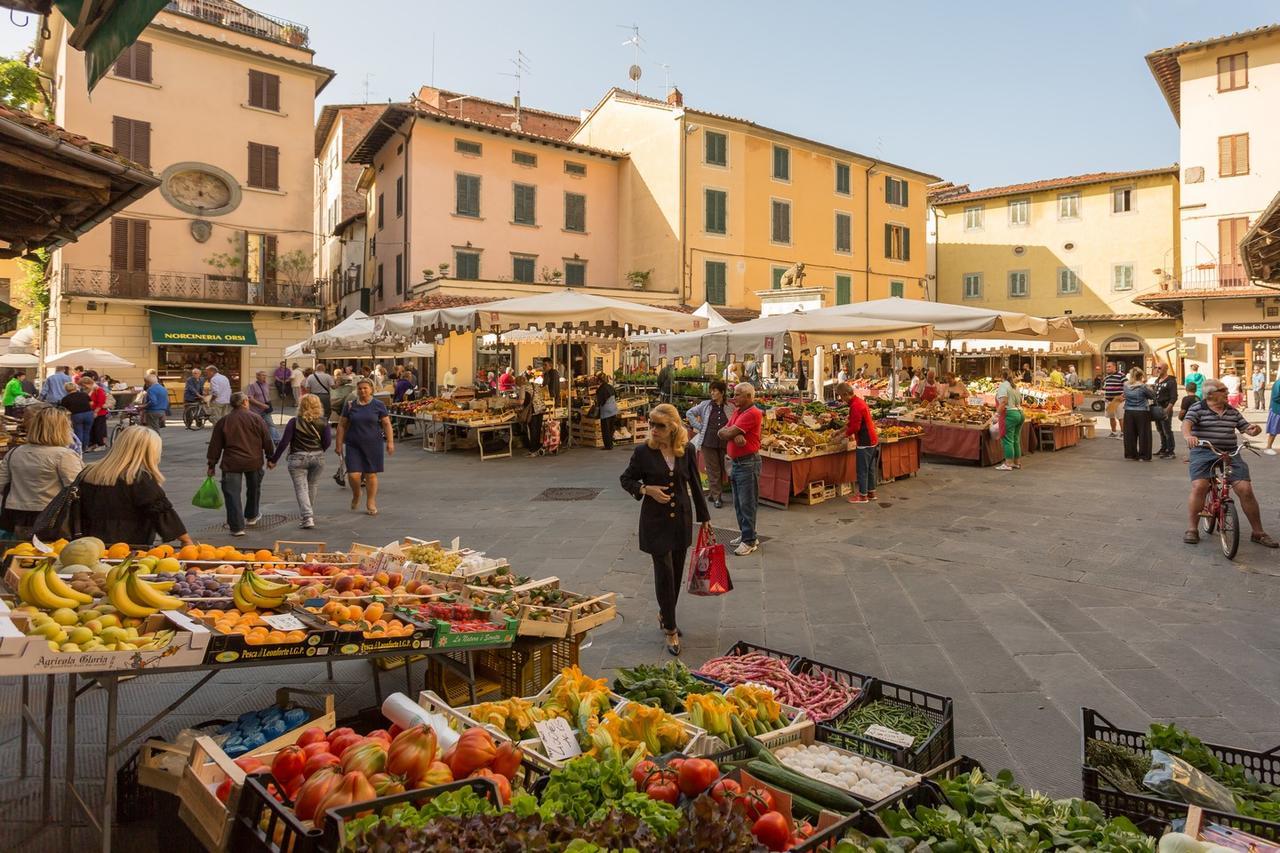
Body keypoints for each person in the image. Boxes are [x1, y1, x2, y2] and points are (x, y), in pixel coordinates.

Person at [620, 403, 711, 657]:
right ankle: (670, 628)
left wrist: (705, 517)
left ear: (673, 427)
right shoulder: (643, 452)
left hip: (681, 518)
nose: (653, 429)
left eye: (660, 425)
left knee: (677, 572)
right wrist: (645, 489)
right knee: (665, 573)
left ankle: (665, 613)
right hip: (655, 521)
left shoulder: (687, 450)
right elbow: (626, 479)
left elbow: (694, 482)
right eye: (651, 424)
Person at [1182, 379, 1277, 548]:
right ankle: (1192, 528)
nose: (1227, 392)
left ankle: (1258, 532)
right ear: (1211, 394)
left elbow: (1246, 428)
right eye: (1223, 389)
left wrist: (1255, 430)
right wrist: (1189, 436)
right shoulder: (1198, 408)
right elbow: (1186, 424)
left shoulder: (1232, 411)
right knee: (1200, 486)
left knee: (1245, 489)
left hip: (1230, 452)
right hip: (1204, 451)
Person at [0, 405, 83, 539]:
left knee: (25, 553)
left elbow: (2, 484)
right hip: (53, 516)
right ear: (62, 429)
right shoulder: (63, 455)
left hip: (19, 515)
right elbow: (77, 487)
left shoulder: (14, 453)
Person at [206, 392, 273, 536]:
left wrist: (211, 464)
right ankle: (252, 515)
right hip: (253, 460)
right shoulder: (256, 418)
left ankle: (237, 527)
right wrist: (270, 457)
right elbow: (267, 439)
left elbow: (215, 445)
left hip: (232, 462)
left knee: (232, 494)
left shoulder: (224, 421)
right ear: (245, 402)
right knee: (254, 488)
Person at [268, 394, 331, 530]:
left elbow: (284, 442)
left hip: (297, 457)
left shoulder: (294, 422)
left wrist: (274, 460)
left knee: (301, 488)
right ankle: (307, 513)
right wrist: (318, 451)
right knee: (312, 485)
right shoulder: (324, 421)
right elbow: (327, 442)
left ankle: (307, 516)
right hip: (317, 457)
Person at [337, 378, 393, 515]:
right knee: (353, 475)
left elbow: (386, 424)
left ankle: (371, 501)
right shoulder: (350, 405)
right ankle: (357, 494)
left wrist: (390, 442)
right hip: (353, 444)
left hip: (373, 444)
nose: (362, 391)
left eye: (365, 388)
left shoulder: (378, 405)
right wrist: (338, 444)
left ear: (371, 389)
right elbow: (342, 425)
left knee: (371, 475)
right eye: (360, 388)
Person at [718, 382, 762, 556]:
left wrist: (731, 432)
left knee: (747, 502)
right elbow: (721, 431)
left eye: (737, 395)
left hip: (748, 463)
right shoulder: (738, 411)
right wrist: (732, 432)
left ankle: (749, 540)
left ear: (748, 397)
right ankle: (747, 534)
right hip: (737, 462)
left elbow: (726, 433)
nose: (733, 397)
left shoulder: (753, 413)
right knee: (738, 502)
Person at [685, 380, 735, 508]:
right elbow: (689, 413)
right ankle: (718, 497)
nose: (712, 393)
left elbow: (735, 421)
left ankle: (713, 494)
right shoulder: (705, 405)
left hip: (725, 442)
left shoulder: (730, 407)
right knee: (713, 470)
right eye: (711, 390)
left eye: (715, 390)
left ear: (722, 392)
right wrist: (699, 426)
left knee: (726, 468)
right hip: (708, 441)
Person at [835, 382, 879, 503]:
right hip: (872, 439)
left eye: (841, 396)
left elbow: (855, 427)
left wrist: (842, 436)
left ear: (845, 394)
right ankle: (871, 493)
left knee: (862, 469)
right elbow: (852, 422)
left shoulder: (855, 406)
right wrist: (839, 431)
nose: (841, 399)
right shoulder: (858, 402)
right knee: (870, 468)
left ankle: (862, 496)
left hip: (865, 440)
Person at [1122, 367, 1155, 461]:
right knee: (1144, 434)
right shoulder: (1143, 386)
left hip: (1128, 411)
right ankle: (1144, 455)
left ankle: (1131, 454)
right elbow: (1152, 396)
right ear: (1141, 376)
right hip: (1142, 411)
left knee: (1130, 434)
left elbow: (1125, 395)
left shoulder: (1126, 385)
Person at [994, 367, 1024, 471]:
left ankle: (1008, 463)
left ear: (1001, 376)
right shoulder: (1015, 386)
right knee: (1015, 439)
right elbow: (1021, 401)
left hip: (1009, 414)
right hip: (1019, 413)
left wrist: (996, 414)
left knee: (1007, 440)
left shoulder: (1003, 386)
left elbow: (1003, 402)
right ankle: (1017, 462)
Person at [1152, 363, 1178, 459]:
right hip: (1157, 408)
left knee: (1167, 430)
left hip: (1165, 408)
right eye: (1156, 367)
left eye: (1159, 368)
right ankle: (1163, 448)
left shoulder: (1171, 381)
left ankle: (1170, 451)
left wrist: (1168, 409)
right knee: (1160, 429)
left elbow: (1174, 397)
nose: (1157, 369)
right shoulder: (1157, 380)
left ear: (1166, 369)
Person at [59, 380, 94, 450]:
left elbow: (64, 410)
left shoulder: (65, 399)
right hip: (88, 413)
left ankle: (80, 447)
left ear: (66, 389)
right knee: (87, 431)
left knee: (79, 431)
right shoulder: (84, 394)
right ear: (75, 387)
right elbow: (91, 403)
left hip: (77, 415)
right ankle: (86, 447)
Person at [246, 370, 278, 441]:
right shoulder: (252, 385)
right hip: (255, 410)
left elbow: (267, 395)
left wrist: (268, 404)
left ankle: (276, 440)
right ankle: (253, 440)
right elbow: (250, 398)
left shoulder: (266, 384)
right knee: (255, 426)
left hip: (266, 410)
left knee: (271, 424)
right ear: (257, 376)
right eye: (262, 375)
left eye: (265, 375)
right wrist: (261, 405)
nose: (265, 377)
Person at [595, 372, 619, 451]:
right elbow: (616, 396)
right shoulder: (611, 387)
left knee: (606, 429)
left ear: (599, 381)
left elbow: (599, 402)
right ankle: (611, 444)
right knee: (611, 428)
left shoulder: (600, 389)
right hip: (613, 410)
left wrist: (596, 409)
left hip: (606, 412)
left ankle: (608, 446)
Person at [1102, 361, 1126, 438]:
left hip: (1118, 400)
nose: (1107, 368)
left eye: (1109, 367)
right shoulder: (1107, 377)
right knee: (1111, 417)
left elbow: (1127, 386)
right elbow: (1105, 387)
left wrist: (1123, 395)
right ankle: (1114, 432)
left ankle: (1123, 433)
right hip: (1108, 400)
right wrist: (1104, 393)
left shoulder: (1121, 375)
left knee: (1120, 417)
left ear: (1114, 367)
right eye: (1107, 367)